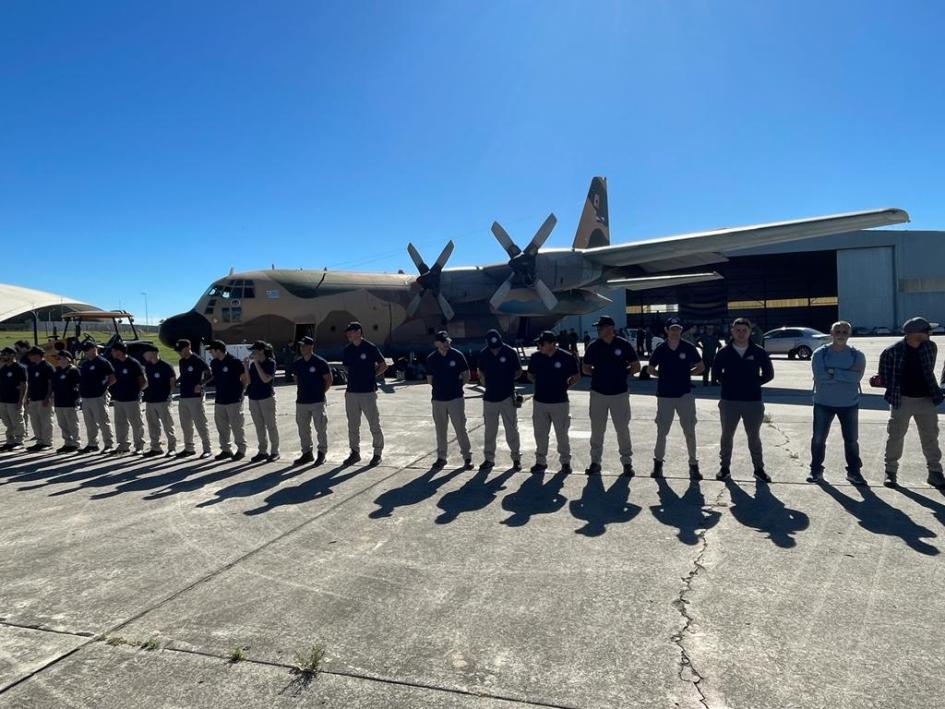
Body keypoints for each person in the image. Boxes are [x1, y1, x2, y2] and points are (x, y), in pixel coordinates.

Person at [874, 317, 945, 488]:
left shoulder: (930, 347)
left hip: (926, 400)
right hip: (902, 400)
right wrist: (879, 382)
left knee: (931, 437)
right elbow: (884, 378)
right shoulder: (891, 352)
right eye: (927, 330)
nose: (931, 333)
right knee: (896, 437)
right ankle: (890, 472)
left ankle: (935, 472)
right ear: (914, 334)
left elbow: (928, 371)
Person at [712, 317, 775, 481]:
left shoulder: (758, 351)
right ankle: (724, 468)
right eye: (737, 330)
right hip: (729, 402)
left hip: (753, 402)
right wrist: (730, 383)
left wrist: (753, 384)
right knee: (727, 435)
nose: (741, 333)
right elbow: (716, 374)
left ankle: (759, 469)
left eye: (744, 330)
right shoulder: (724, 352)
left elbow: (769, 374)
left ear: (749, 332)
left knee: (754, 437)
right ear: (732, 331)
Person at [807, 321, 866, 485]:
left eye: (845, 332)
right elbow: (820, 376)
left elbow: (856, 378)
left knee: (851, 440)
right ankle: (816, 470)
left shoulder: (857, 355)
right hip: (823, 403)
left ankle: (854, 472)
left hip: (849, 404)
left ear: (849, 334)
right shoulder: (820, 354)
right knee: (818, 438)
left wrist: (832, 371)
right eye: (838, 331)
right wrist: (845, 374)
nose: (841, 334)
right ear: (831, 334)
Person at [581, 315, 640, 476]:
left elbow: (636, 366)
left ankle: (627, 463)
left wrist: (621, 374)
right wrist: (599, 375)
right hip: (598, 393)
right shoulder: (594, 346)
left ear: (610, 328)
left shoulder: (624, 344)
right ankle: (595, 462)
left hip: (619, 394)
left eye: (601, 327)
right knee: (597, 429)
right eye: (598, 327)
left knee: (622, 429)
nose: (598, 330)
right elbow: (585, 367)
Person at [647, 317, 705, 480]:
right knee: (662, 432)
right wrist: (662, 376)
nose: (675, 331)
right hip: (665, 396)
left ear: (681, 330)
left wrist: (687, 375)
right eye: (672, 328)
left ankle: (693, 465)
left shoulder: (688, 347)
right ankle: (658, 465)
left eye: (678, 328)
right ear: (667, 330)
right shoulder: (661, 349)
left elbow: (701, 367)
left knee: (690, 431)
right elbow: (650, 369)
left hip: (684, 394)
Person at [528, 330, 579, 474]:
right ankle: (540, 461)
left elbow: (575, 375)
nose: (540, 346)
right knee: (540, 434)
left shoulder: (566, 357)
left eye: (542, 343)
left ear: (552, 344)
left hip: (560, 402)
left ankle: (565, 462)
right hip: (540, 402)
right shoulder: (535, 357)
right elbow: (531, 375)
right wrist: (540, 385)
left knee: (562, 434)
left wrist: (565, 386)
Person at [341, 321, 387, 467]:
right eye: (348, 332)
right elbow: (346, 367)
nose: (349, 334)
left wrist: (372, 376)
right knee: (353, 425)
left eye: (351, 331)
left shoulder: (370, 347)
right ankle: (354, 452)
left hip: (367, 392)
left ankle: (377, 453)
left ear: (359, 332)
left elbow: (383, 364)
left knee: (374, 423)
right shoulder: (347, 350)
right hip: (352, 393)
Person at [476, 329, 522, 471]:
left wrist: (506, 381)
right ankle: (489, 459)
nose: (494, 348)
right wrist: (484, 381)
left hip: (507, 396)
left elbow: (518, 371)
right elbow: (480, 370)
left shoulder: (510, 352)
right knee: (490, 431)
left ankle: (516, 459)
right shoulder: (484, 353)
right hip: (490, 398)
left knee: (511, 430)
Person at [426, 331, 472, 469]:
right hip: (438, 399)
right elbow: (429, 380)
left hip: (455, 398)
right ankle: (441, 457)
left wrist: (457, 387)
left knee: (460, 428)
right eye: (443, 341)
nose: (446, 343)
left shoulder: (457, 355)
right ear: (437, 343)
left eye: (447, 341)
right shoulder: (431, 358)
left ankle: (467, 457)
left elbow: (467, 375)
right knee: (440, 430)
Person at [292, 335, 332, 466]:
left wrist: (321, 393)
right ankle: (307, 453)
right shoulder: (298, 363)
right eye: (301, 346)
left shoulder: (320, 362)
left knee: (320, 428)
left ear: (311, 346)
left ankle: (321, 453)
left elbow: (328, 379)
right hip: (302, 401)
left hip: (317, 401)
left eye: (304, 345)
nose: (302, 348)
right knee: (303, 429)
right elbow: (296, 379)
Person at [208, 339, 248, 461]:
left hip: (234, 399)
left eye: (211, 350)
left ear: (218, 350)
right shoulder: (214, 363)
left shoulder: (234, 362)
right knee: (222, 427)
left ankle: (241, 450)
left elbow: (244, 378)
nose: (210, 352)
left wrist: (242, 393)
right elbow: (215, 378)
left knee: (237, 426)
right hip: (220, 399)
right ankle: (226, 450)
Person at [174, 339, 212, 458]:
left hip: (195, 397)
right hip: (184, 395)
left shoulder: (197, 360)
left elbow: (209, 374)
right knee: (186, 424)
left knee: (200, 423)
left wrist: (200, 384)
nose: (179, 353)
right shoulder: (181, 361)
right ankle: (189, 448)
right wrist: (177, 381)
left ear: (187, 348)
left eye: (181, 350)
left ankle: (207, 449)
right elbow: (184, 375)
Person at [107, 341, 147, 455]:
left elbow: (143, 381)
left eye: (113, 350)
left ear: (119, 351)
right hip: (119, 398)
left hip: (132, 399)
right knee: (120, 423)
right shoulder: (115, 363)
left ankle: (139, 446)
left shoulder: (133, 363)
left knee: (136, 423)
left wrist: (136, 392)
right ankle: (123, 445)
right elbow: (113, 378)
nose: (112, 353)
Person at [245, 341, 280, 462]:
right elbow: (249, 381)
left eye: (254, 351)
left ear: (261, 351)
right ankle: (262, 451)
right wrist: (246, 366)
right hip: (254, 397)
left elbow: (265, 379)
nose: (252, 353)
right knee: (259, 426)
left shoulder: (270, 363)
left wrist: (256, 363)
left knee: (271, 426)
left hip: (266, 398)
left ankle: (275, 451)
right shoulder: (254, 365)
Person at [78, 341, 115, 453]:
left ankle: (109, 444)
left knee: (103, 420)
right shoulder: (85, 364)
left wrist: (103, 388)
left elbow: (112, 378)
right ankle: (92, 444)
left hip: (98, 396)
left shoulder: (103, 362)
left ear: (94, 349)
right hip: (86, 396)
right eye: (84, 350)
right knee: (89, 422)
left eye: (88, 349)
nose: (85, 352)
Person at [141, 345, 177, 457]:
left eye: (145, 353)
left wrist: (169, 396)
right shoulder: (147, 366)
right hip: (150, 400)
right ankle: (155, 448)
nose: (144, 356)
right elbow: (146, 381)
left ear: (153, 353)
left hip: (163, 400)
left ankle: (172, 448)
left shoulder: (166, 366)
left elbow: (172, 382)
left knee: (168, 425)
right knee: (153, 426)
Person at [25, 346, 55, 451]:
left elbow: (51, 384)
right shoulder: (31, 367)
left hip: (44, 398)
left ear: (37, 355)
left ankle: (47, 442)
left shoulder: (47, 367)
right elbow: (29, 383)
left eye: (31, 355)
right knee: (35, 421)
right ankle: (39, 441)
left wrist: (47, 397)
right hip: (33, 398)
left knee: (46, 421)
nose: (29, 357)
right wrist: (27, 396)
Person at [51, 350, 82, 453]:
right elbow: (53, 386)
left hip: (70, 401)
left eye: (60, 358)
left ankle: (76, 443)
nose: (58, 360)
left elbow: (78, 385)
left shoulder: (73, 370)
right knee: (62, 423)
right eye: (57, 358)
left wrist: (77, 399)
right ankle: (68, 443)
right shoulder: (57, 370)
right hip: (59, 401)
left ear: (67, 359)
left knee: (72, 423)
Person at [0, 347, 27, 451]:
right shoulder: (3, 368)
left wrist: (21, 400)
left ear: (12, 355)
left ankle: (19, 441)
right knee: (7, 422)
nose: (3, 356)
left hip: (14, 400)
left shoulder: (19, 368)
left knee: (17, 421)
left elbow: (24, 384)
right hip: (3, 400)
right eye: (2, 354)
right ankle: (10, 441)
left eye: (5, 354)